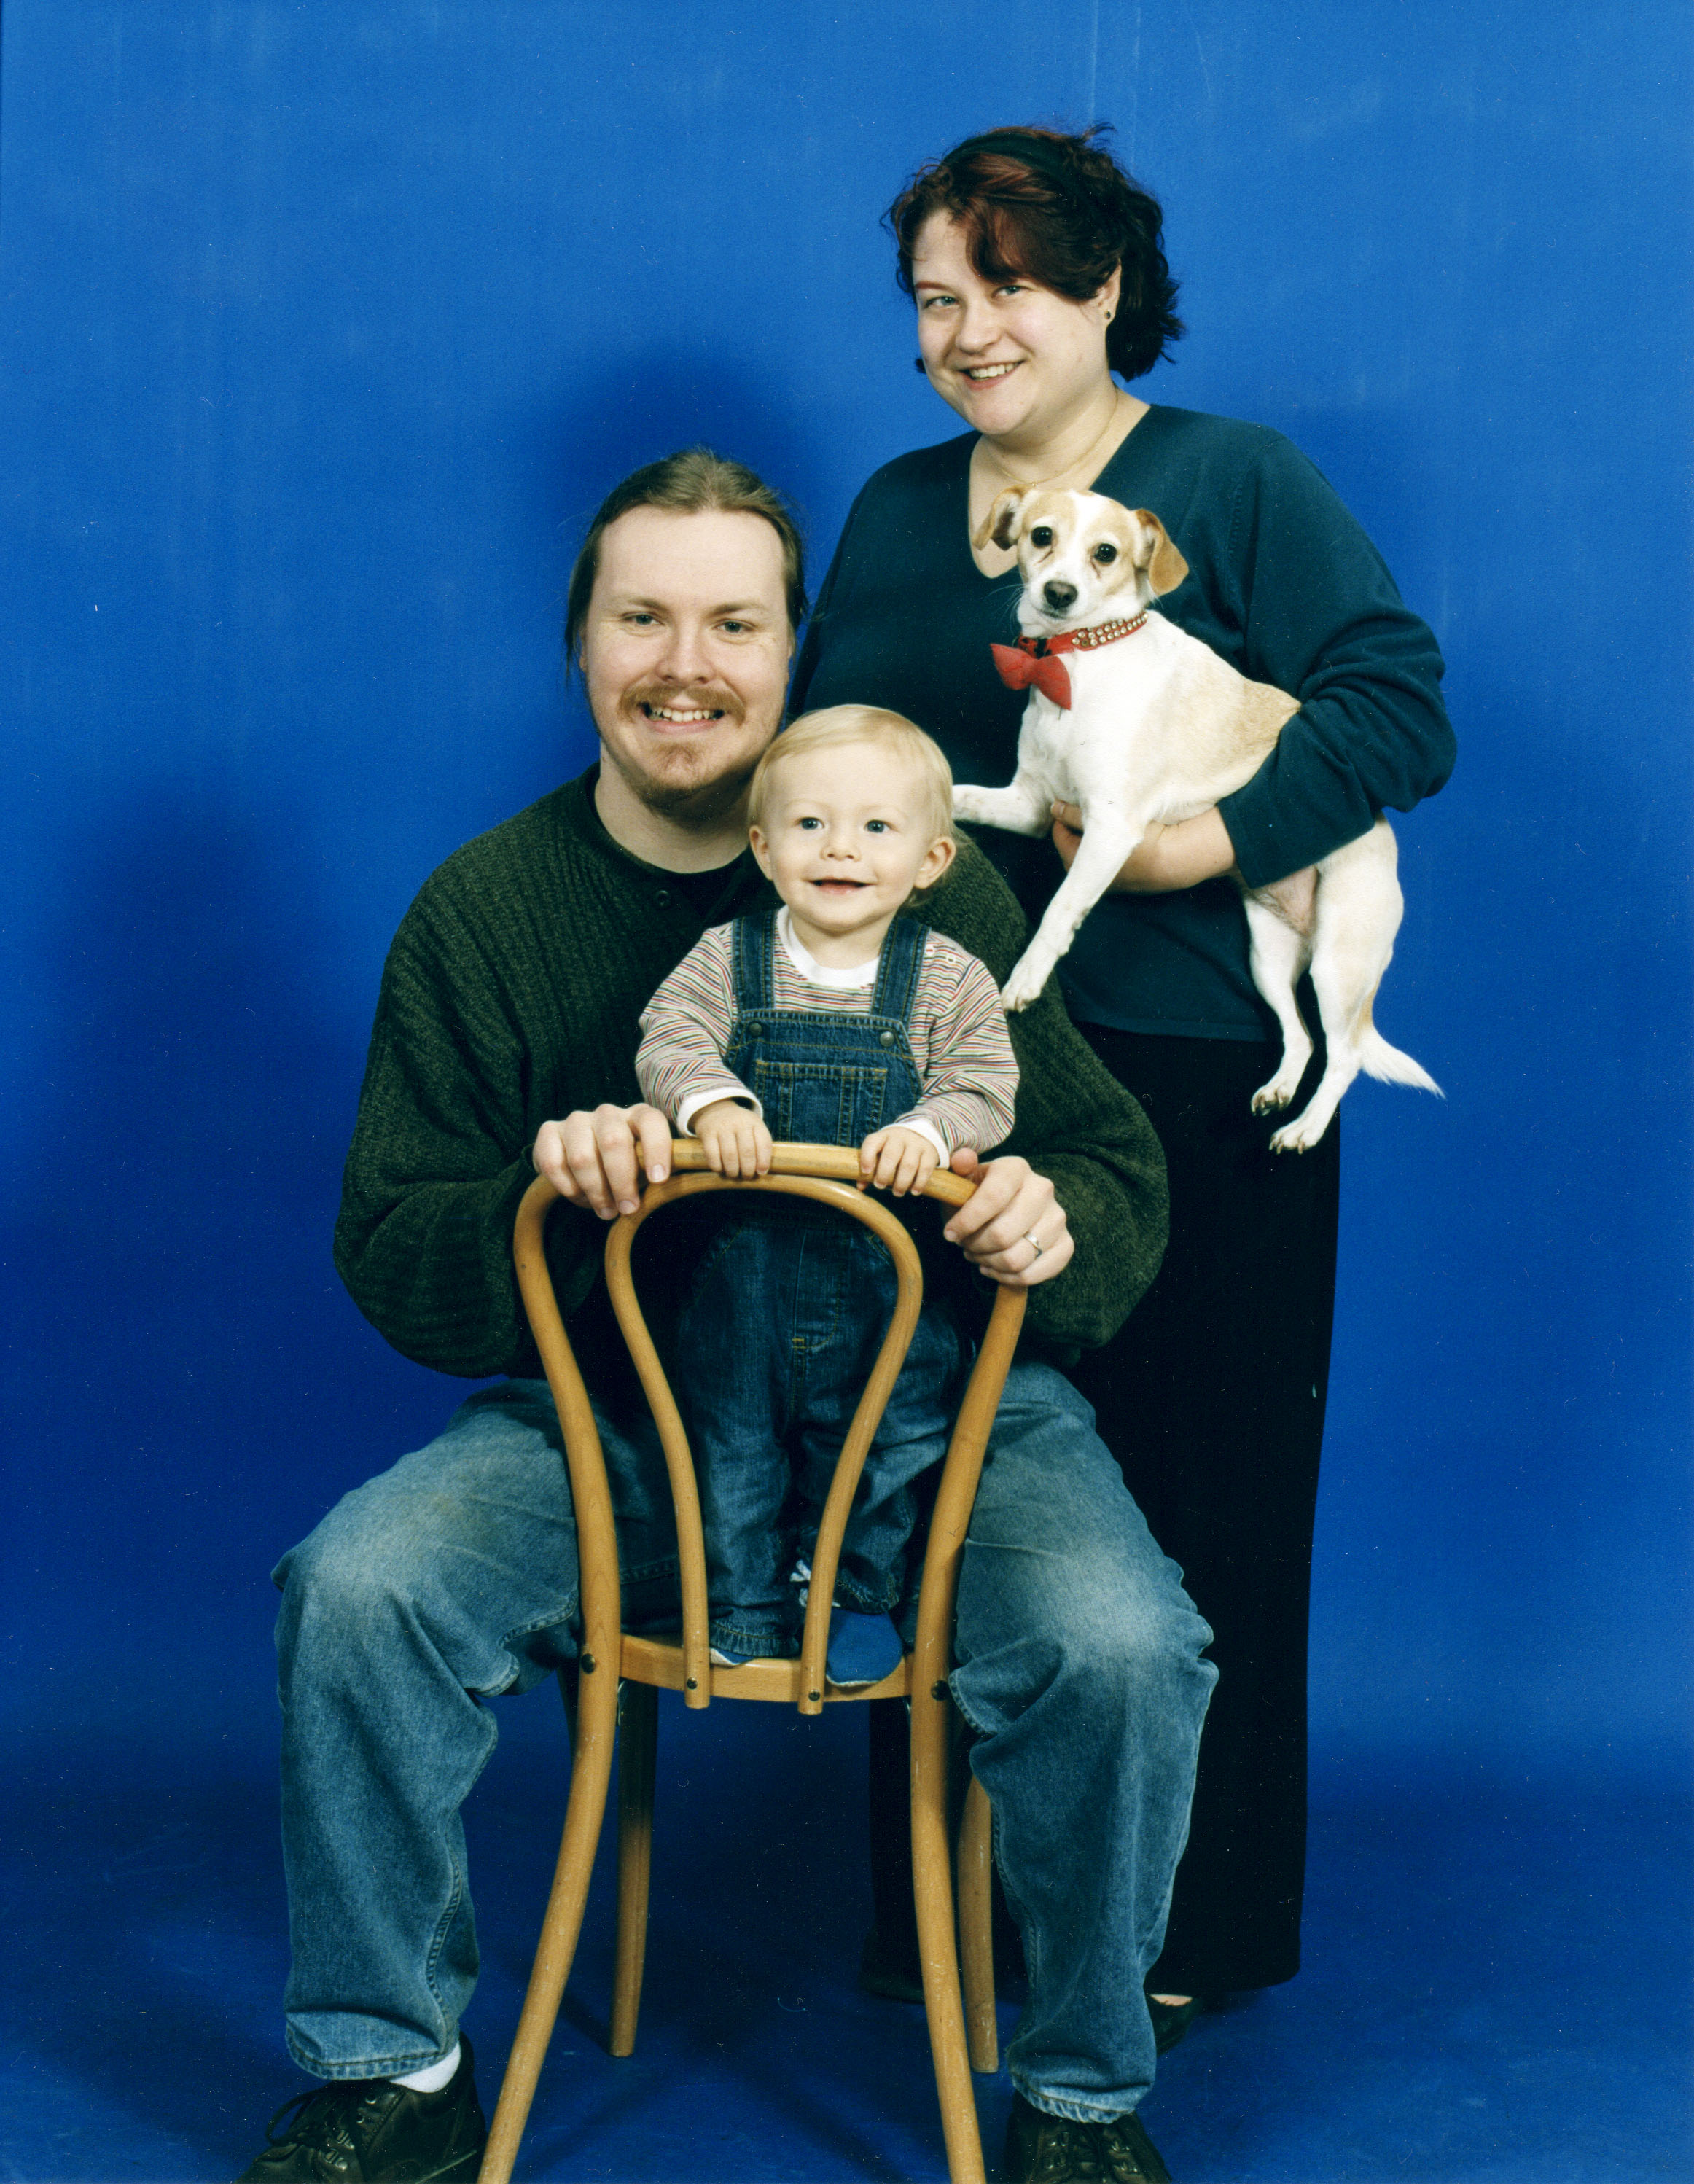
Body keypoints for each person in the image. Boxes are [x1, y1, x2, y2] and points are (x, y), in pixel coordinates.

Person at [240, 447, 1216, 2184]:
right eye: (641, 618)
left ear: (790, 653)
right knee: (361, 1586)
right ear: (579, 643)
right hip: (628, 1418)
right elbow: (390, 1245)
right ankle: (392, 2070)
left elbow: (1107, 1166)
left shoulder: (925, 879)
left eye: (733, 625)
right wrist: (552, 1187)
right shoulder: (486, 909)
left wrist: (1043, 1213)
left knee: (1123, 1641)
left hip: (935, 1416)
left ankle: (1079, 2100)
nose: (685, 665)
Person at [790, 126, 1456, 2035]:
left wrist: (1201, 846)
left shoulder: (1233, 481)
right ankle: (953, 1918)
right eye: (935, 297)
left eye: (1005, 286)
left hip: (1187, 1078)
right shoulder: (899, 508)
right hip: (931, 1073)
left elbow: (1395, 705)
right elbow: (831, 756)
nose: (967, 331)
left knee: (1201, 1508)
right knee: (945, 1493)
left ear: (1101, 290)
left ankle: (1181, 1930)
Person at [636, 703, 1018, 1688]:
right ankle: (742, 1606)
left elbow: (987, 1086)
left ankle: (852, 1592)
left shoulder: (948, 980)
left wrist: (928, 1129)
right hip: (744, 1286)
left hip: (889, 1288)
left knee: (893, 1442)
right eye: (810, 824)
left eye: (876, 827)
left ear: (932, 860)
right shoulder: (727, 960)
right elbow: (667, 1037)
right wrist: (713, 1101)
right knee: (733, 1445)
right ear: (764, 849)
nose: (840, 848)